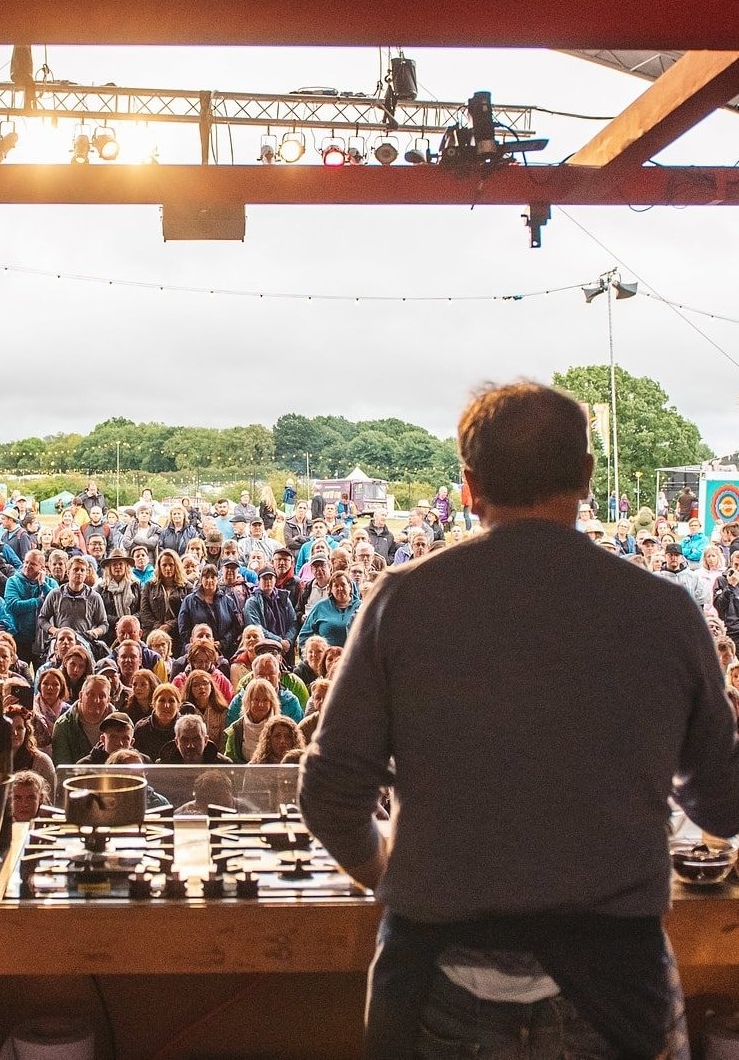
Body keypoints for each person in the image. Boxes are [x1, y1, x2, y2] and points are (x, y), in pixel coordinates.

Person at [299, 381, 739, 1058]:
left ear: (469, 486)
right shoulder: (664, 612)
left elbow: (330, 792)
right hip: (616, 986)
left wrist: (388, 872)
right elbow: (722, 800)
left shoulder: (402, 603)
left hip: (437, 981)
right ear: (586, 476)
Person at [50, 671, 114, 766]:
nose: (96, 700)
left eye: (102, 696)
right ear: (80, 696)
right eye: (91, 694)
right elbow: (63, 767)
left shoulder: (119, 724)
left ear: (108, 700)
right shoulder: (63, 726)